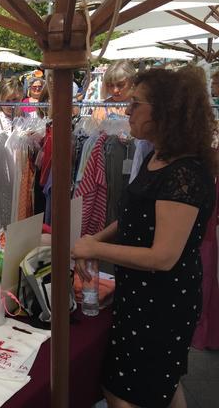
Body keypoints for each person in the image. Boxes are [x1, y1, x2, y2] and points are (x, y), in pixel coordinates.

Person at [72, 67, 217, 408]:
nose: (127, 110)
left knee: (122, 391)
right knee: (162, 385)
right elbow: (133, 219)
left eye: (136, 103)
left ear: (165, 111)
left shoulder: (184, 173)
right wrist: (95, 240)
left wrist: (95, 247)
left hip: (162, 303)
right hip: (142, 295)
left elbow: (162, 256)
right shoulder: (158, 156)